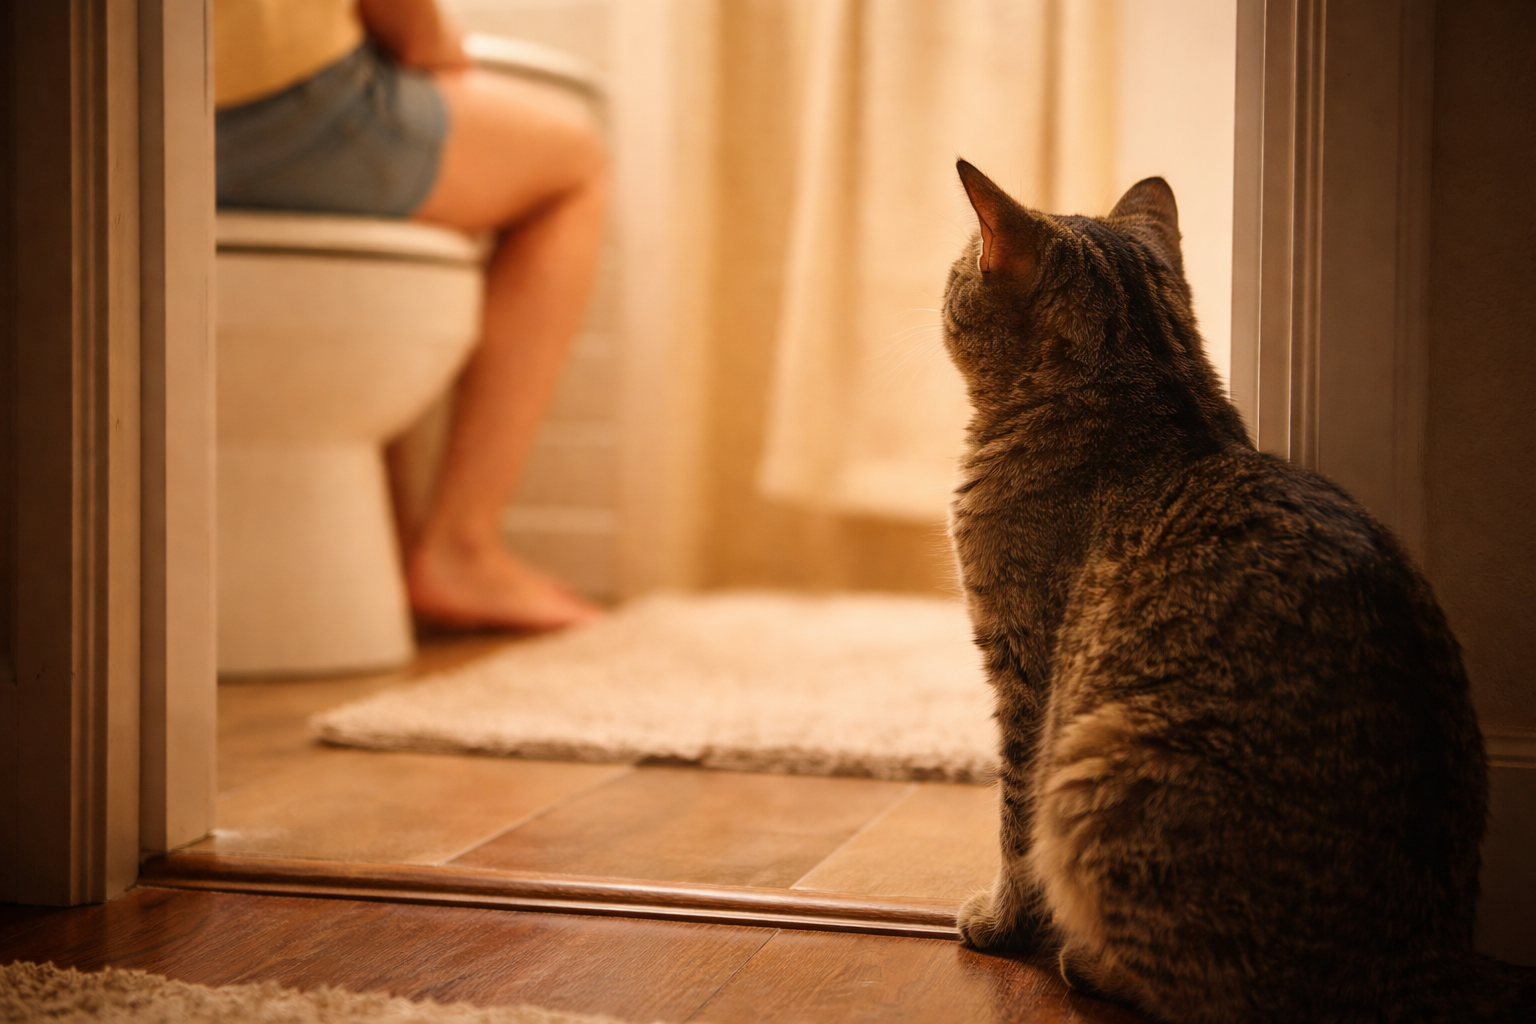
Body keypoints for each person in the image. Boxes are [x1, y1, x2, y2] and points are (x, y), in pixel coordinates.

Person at [215, 0, 605, 631]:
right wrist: (433, 41)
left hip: (99, 112)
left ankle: (401, 550)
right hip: (267, 103)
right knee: (574, 162)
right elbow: (409, 29)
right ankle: (462, 545)